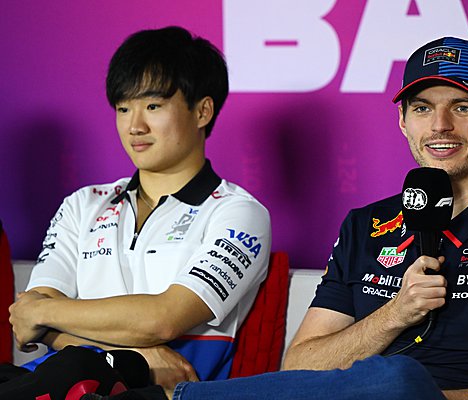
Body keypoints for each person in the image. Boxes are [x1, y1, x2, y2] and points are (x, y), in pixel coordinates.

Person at [17, 36, 468, 400]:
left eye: (462, 107)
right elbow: (302, 364)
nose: (439, 126)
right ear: (403, 123)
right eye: (422, 108)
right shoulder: (367, 224)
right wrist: (394, 315)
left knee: (396, 379)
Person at [6, 26, 271, 398]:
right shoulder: (82, 204)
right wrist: (138, 356)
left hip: (157, 393)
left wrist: (45, 313)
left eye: (152, 106)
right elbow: (30, 322)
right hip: (56, 383)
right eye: (123, 108)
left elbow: (163, 319)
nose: (135, 126)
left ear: (202, 111)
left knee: (72, 370)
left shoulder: (238, 213)